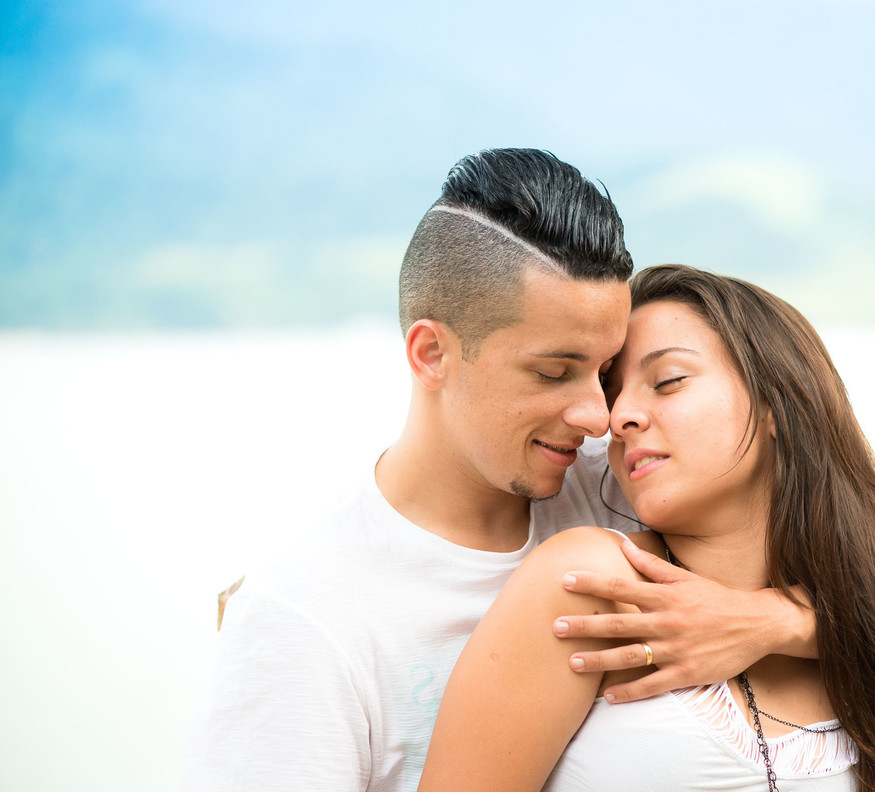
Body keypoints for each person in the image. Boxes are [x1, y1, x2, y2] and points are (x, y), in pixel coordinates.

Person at [183, 151, 819, 792]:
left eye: (604, 373)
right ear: (432, 354)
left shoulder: (615, 485)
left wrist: (775, 621)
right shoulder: (302, 617)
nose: (600, 417)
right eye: (552, 373)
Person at [419, 264, 875, 792]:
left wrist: (777, 621)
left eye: (669, 381)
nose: (618, 416)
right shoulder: (592, 582)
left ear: (780, 402)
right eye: (614, 391)